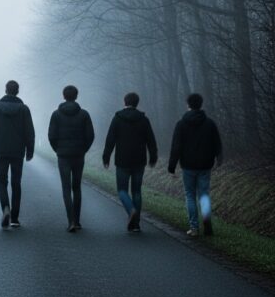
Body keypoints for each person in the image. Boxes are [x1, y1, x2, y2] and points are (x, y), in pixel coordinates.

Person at [168, 93, 223, 238]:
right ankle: (207, 223)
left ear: (188, 105)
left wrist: (171, 167)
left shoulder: (181, 124)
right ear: (201, 104)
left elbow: (176, 147)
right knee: (204, 194)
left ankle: (194, 227)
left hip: (188, 166)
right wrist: (219, 159)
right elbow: (217, 143)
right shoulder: (210, 123)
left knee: (190, 195)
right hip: (205, 165)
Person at [103, 92, 158, 233]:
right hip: (139, 160)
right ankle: (136, 224)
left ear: (125, 102)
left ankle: (131, 210)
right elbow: (151, 140)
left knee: (122, 190)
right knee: (136, 191)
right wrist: (153, 156)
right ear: (137, 103)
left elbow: (110, 139)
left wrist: (106, 157)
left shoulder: (117, 118)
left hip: (122, 160)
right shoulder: (143, 119)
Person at [0, 80, 35, 228]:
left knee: (1, 182)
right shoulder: (24, 109)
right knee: (16, 183)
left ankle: (5, 208)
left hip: (1, 150)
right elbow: (29, 132)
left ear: (6, 90)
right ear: (17, 91)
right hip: (18, 151)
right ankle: (14, 218)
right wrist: (30, 151)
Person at [48, 85, 95, 232]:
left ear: (64, 96)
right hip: (78, 155)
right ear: (76, 96)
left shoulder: (56, 114)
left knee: (66, 188)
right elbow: (90, 136)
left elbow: (51, 136)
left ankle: (71, 221)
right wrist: (83, 149)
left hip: (63, 156)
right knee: (77, 187)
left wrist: (58, 150)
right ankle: (78, 220)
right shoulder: (84, 114)